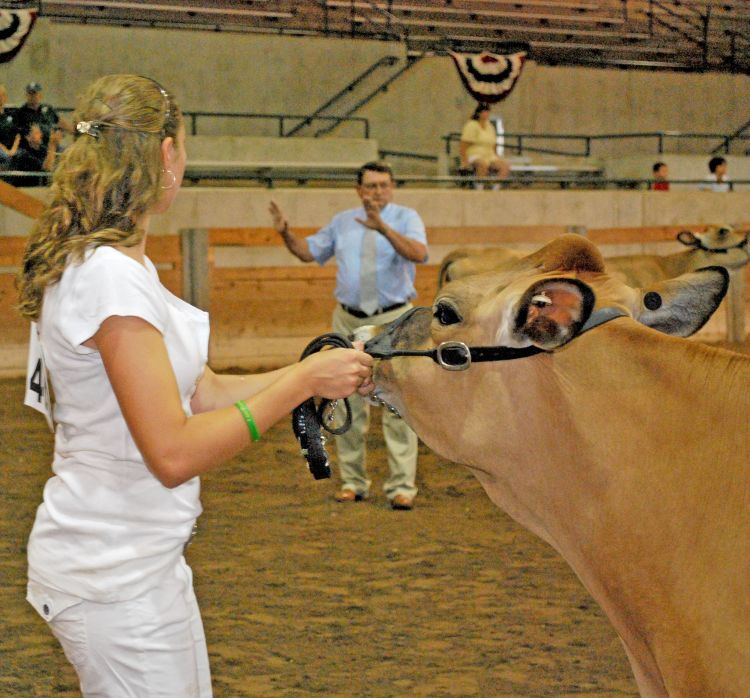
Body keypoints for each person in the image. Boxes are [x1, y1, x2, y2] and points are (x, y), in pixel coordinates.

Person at [16, 74, 373, 698]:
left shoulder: (112, 267)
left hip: (137, 564)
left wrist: (310, 371)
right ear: (164, 156)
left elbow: (200, 391)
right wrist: (301, 385)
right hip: (112, 574)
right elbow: (174, 453)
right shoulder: (111, 281)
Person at [269, 161, 427, 510]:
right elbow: (309, 252)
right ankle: (353, 482)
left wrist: (382, 227)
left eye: (384, 185)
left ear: (393, 187)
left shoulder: (406, 218)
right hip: (348, 321)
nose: (377, 192)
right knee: (345, 399)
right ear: (359, 190)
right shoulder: (342, 222)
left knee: (397, 403)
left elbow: (420, 254)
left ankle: (402, 486)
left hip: (394, 320)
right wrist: (285, 233)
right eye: (370, 186)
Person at [459, 102, 510, 190]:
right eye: (484, 112)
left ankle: (495, 187)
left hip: (489, 155)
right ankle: (479, 186)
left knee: (505, 166)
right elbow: (464, 144)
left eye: (487, 112)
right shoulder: (471, 125)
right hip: (474, 155)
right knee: (483, 164)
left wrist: (496, 157)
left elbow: (493, 144)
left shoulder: (490, 126)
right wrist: (464, 161)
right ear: (479, 113)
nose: (486, 114)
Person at [15, 81, 73, 146]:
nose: (32, 96)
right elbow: (20, 134)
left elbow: (62, 123)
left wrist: (75, 130)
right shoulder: (21, 112)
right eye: (30, 94)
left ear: (40, 95)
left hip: (52, 143)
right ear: (26, 95)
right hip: (33, 147)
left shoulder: (48, 109)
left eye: (34, 93)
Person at [0, 84, 20, 169]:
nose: (0, 98)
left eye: (2, 95)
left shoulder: (11, 114)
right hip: (2, 150)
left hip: (12, 149)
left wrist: (13, 150)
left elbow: (18, 135)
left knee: (23, 156)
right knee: (5, 157)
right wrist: (6, 151)